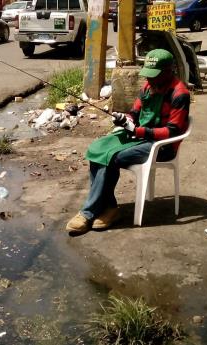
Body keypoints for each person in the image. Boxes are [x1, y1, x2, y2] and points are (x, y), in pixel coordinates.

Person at [65, 49, 190, 234]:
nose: (151, 80)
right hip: (139, 136)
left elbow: (172, 131)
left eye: (155, 76)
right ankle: (109, 208)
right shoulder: (148, 87)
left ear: (168, 71)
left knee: (113, 156)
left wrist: (137, 130)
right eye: (149, 75)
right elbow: (135, 113)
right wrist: (125, 120)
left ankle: (89, 212)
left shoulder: (180, 94)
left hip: (162, 146)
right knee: (97, 149)